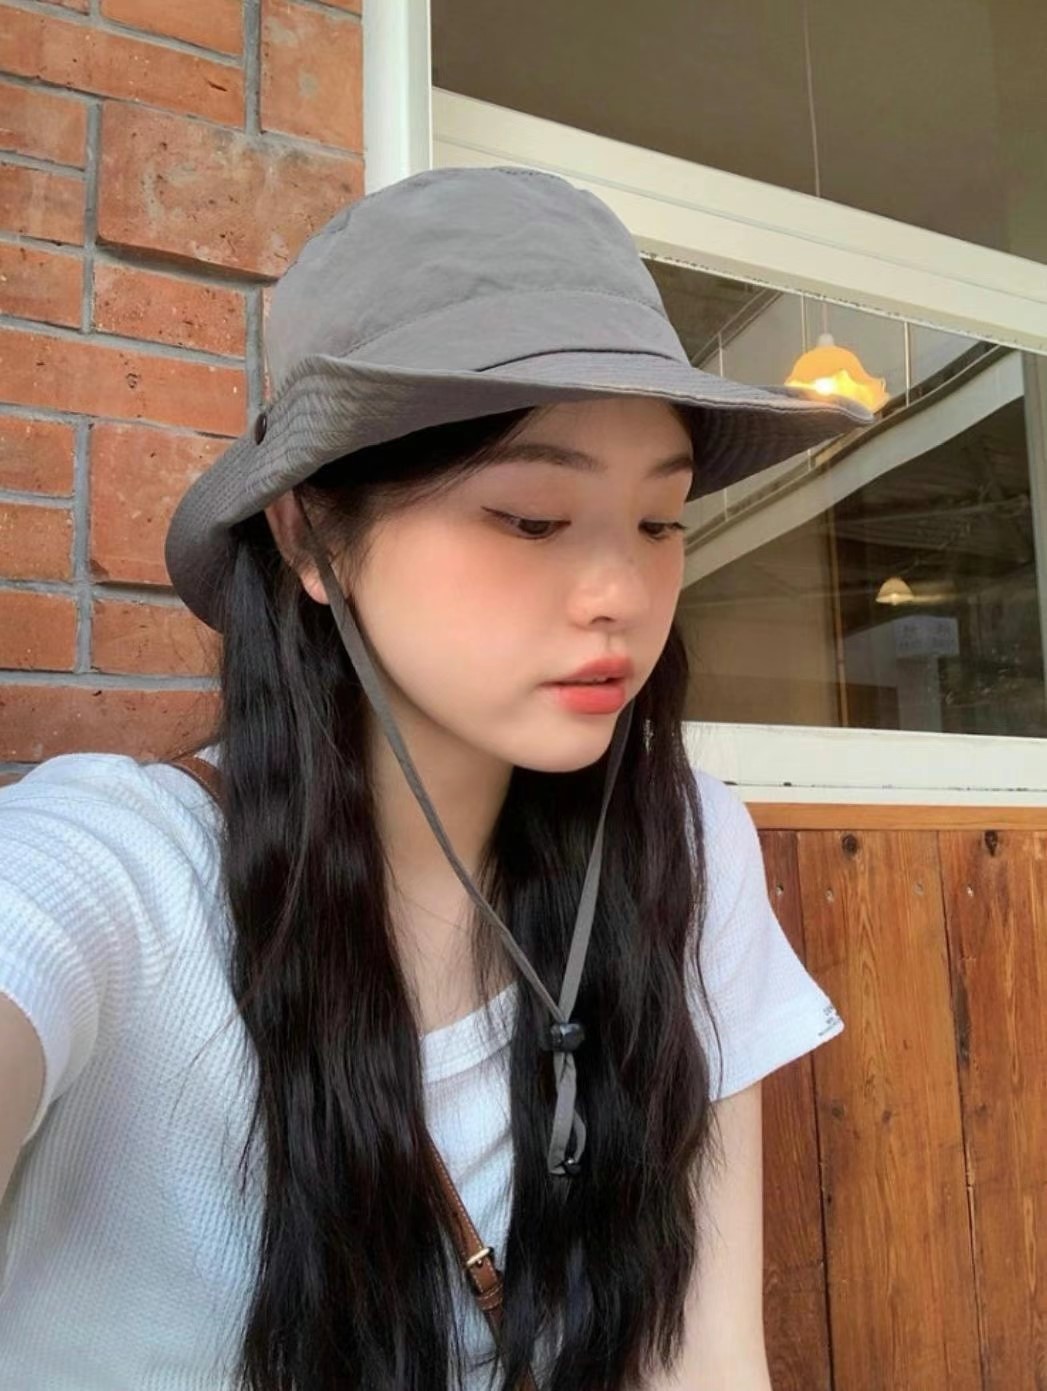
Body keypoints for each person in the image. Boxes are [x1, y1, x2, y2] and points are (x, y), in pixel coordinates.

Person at [0, 167, 867, 1391]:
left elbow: (706, 1360)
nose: (622, 592)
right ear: (311, 536)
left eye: (661, 521)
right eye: (531, 518)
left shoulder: (686, 842)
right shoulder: (114, 870)